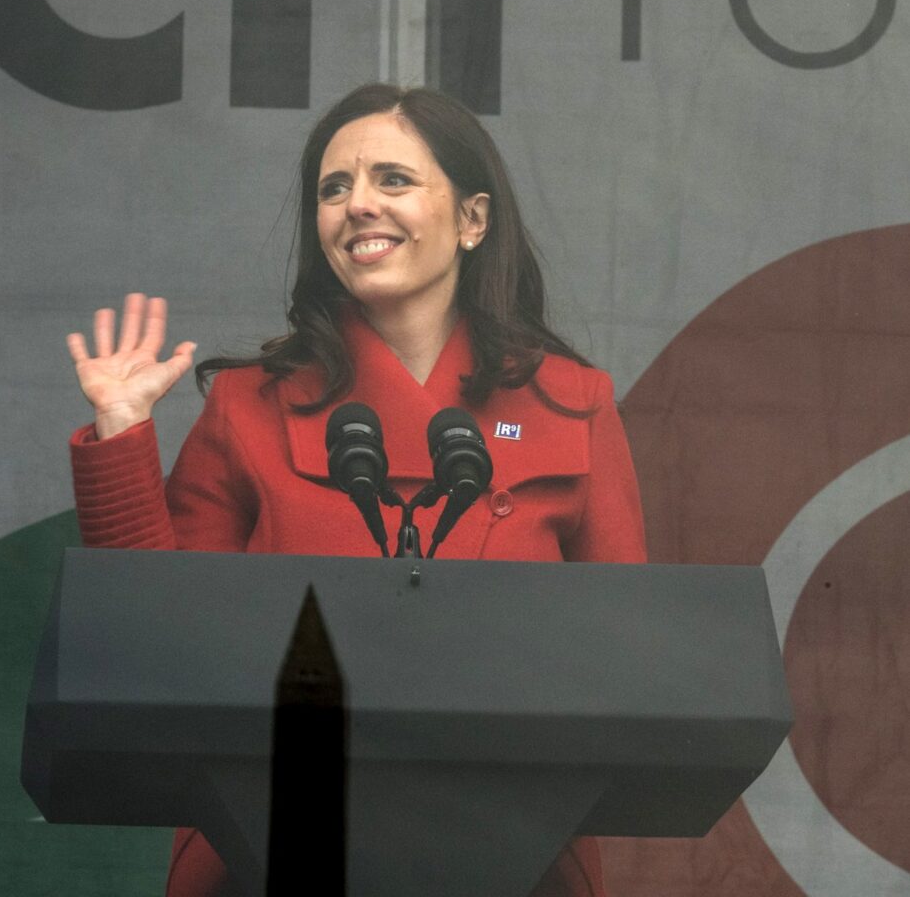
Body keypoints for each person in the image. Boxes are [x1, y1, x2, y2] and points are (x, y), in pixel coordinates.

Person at [66, 83, 646, 897]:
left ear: (474, 219)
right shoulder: (249, 404)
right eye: (334, 189)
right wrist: (120, 434)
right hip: (268, 849)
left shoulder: (572, 402)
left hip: (512, 851)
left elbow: (630, 658)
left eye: (393, 180)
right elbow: (155, 639)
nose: (357, 206)